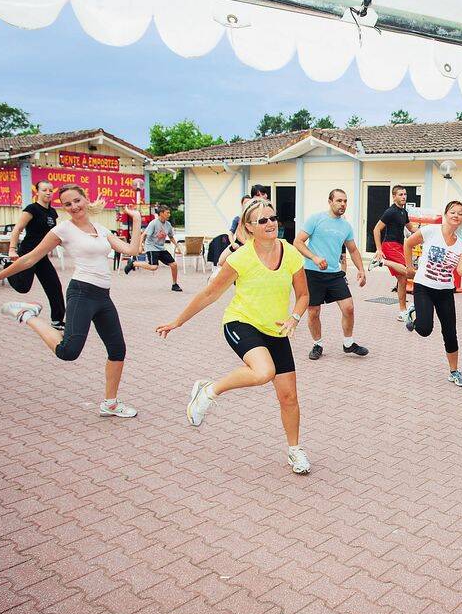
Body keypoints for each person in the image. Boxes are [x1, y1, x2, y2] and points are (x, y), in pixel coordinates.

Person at [156, 200, 312, 474]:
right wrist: (177, 321)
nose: (270, 223)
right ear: (249, 227)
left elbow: (303, 295)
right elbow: (209, 294)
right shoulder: (239, 258)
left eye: (273, 218)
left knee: (289, 397)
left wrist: (295, 317)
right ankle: (209, 391)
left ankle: (294, 450)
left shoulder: (289, 253)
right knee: (264, 371)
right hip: (240, 323)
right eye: (262, 220)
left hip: (276, 329)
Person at [0, 185, 144, 418]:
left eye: (77, 200)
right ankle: (27, 315)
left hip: (103, 297)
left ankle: (111, 404)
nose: (74, 206)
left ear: (85, 200)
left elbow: (132, 249)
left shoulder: (102, 229)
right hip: (81, 293)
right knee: (68, 351)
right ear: (63, 208)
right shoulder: (63, 230)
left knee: (118, 350)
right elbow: (31, 258)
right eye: (68, 204)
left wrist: (136, 220)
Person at [403, 201, 462, 387]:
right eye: (453, 212)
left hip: (445, 291)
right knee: (425, 329)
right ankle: (415, 312)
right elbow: (408, 243)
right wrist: (409, 267)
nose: (456, 215)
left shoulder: (460, 244)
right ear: (446, 214)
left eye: (460, 214)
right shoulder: (431, 231)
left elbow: (460, 271)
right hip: (424, 287)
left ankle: (454, 372)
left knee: (450, 332)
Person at [294, 189, 369, 360]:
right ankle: (318, 344)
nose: (343, 204)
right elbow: (297, 242)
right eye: (339, 201)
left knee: (348, 308)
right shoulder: (316, 219)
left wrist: (361, 270)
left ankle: (348, 344)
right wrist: (314, 257)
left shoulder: (346, 226)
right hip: (313, 272)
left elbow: (353, 249)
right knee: (313, 312)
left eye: (345, 201)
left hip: (335, 274)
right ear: (330, 201)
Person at [6, 179, 66, 330]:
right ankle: (8, 265)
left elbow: (54, 234)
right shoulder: (32, 209)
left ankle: (57, 321)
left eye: (50, 190)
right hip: (28, 253)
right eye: (44, 190)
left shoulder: (52, 212)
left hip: (42, 255)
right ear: (37, 192)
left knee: (54, 286)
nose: (48, 193)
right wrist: (12, 249)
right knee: (23, 287)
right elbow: (17, 228)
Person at [371, 185, 413, 322]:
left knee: (402, 279)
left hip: (400, 246)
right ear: (394, 196)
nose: (404, 197)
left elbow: (411, 228)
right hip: (389, 245)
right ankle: (382, 261)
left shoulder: (403, 212)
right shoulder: (390, 211)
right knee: (407, 272)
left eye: (405, 194)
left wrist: (426, 231)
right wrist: (379, 250)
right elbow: (376, 229)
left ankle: (402, 311)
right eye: (400, 194)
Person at [128, 204, 182, 291]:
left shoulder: (168, 224)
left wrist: (177, 246)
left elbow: (171, 237)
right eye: (167, 213)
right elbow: (143, 235)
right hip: (151, 247)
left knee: (174, 265)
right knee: (154, 267)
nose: (169, 214)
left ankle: (174, 284)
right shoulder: (153, 223)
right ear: (161, 213)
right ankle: (133, 263)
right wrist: (140, 246)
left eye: (169, 213)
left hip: (161, 248)